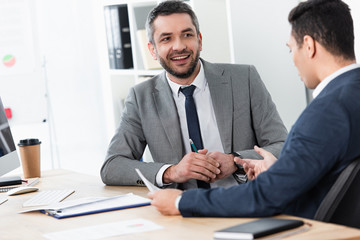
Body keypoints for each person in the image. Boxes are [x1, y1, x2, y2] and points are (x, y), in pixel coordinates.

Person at [149, 0, 360, 219]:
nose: (294, 61)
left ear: (309, 46)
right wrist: (278, 171)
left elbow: (265, 197)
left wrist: (181, 202)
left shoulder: (325, 112)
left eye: (291, 49)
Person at [100, 0, 287, 190]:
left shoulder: (244, 79)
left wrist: (235, 161)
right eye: (166, 39)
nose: (179, 46)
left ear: (200, 40)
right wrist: (172, 171)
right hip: (182, 210)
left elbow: (282, 145)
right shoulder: (141, 98)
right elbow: (112, 166)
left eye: (187, 35)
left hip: (246, 200)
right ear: (152, 50)